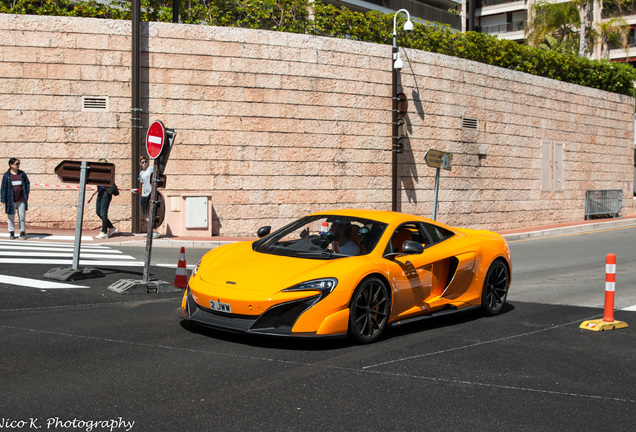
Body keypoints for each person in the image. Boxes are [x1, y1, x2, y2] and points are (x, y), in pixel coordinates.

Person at [1, 158, 30, 240]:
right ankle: (11, 232)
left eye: (19, 164)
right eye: (16, 164)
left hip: (21, 200)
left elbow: (27, 183)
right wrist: (3, 198)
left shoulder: (22, 174)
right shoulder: (7, 176)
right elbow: (3, 188)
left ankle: (22, 232)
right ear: (11, 165)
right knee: (11, 216)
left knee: (22, 216)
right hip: (10, 200)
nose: (18, 165)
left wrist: (26, 193)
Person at [138, 156, 159, 238]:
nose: (145, 163)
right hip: (144, 195)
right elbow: (142, 184)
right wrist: (141, 194)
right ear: (140, 164)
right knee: (145, 213)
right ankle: (150, 231)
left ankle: (155, 230)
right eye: (143, 162)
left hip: (151, 194)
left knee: (152, 212)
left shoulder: (150, 169)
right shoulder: (141, 173)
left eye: (145, 161)